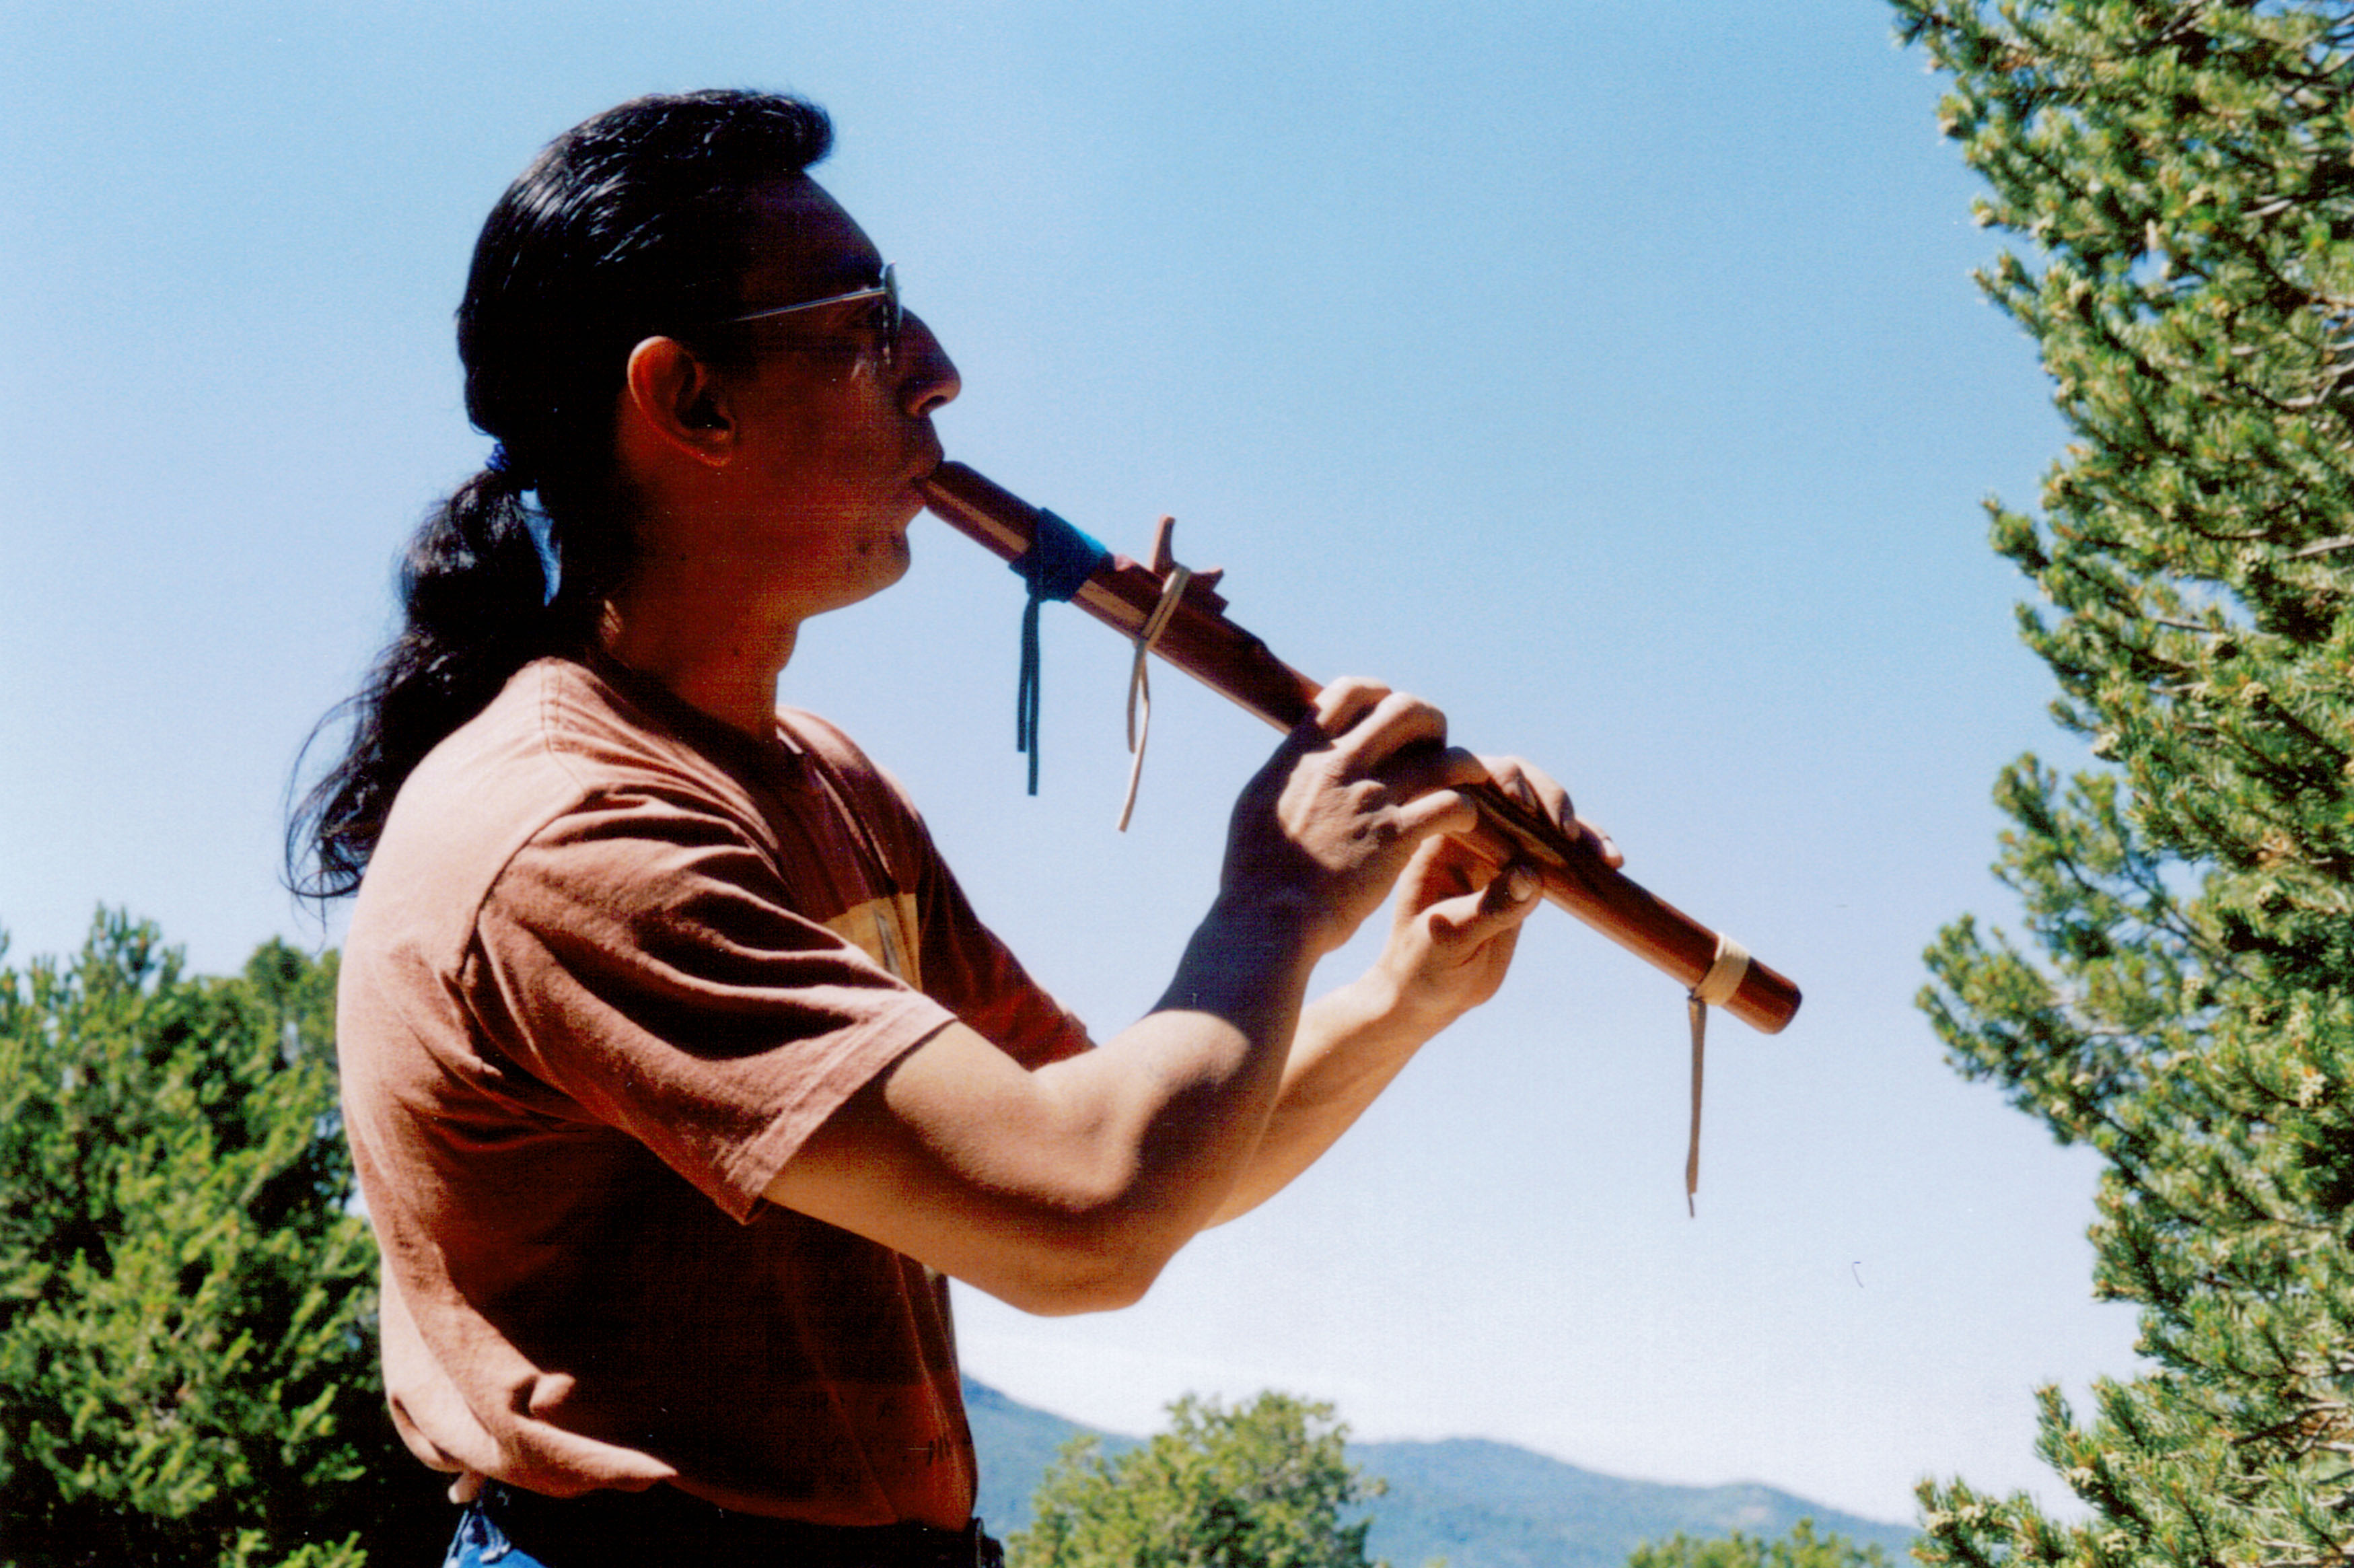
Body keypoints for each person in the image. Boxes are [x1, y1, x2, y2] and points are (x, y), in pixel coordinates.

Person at [293, 89, 1609, 1568]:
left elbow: (1148, 1153)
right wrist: (1277, 900)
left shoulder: (829, 782)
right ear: (688, 402)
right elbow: (1082, 1219)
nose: (938, 374)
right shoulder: (571, 837)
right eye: (870, 323)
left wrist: (1403, 994)